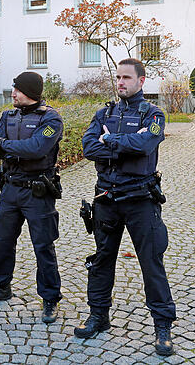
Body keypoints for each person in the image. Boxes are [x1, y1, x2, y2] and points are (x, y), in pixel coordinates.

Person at [77, 58, 176, 356]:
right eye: (117, 77)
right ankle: (98, 315)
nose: (120, 82)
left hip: (140, 200)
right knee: (101, 260)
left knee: (151, 262)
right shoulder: (104, 112)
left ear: (141, 81)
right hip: (106, 199)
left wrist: (111, 140)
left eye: (126, 78)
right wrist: (122, 144)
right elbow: (88, 147)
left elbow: (146, 145)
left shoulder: (153, 113)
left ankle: (163, 326)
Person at [0, 71, 64, 324]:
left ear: (31, 92)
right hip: (10, 189)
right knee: (2, 241)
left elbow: (37, 148)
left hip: (38, 191)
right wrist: (11, 148)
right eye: (13, 89)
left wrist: (5, 146)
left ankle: (50, 298)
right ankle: (1, 286)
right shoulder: (8, 116)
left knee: (43, 245)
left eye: (18, 90)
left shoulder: (51, 119)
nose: (13, 94)